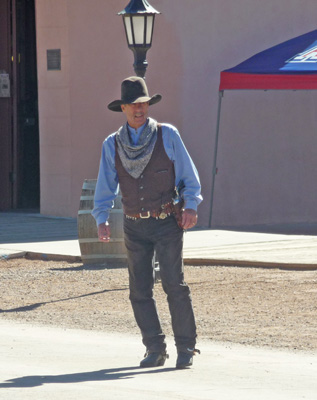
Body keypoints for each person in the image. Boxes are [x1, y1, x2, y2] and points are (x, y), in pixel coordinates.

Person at [92, 76, 202, 369]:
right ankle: (155, 349)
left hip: (167, 222)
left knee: (174, 284)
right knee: (139, 290)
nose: (139, 110)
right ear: (124, 109)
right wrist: (101, 217)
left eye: (143, 104)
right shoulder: (111, 144)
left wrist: (190, 206)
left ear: (148, 105)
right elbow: (106, 185)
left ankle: (186, 348)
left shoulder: (168, 135)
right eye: (133, 105)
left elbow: (190, 178)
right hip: (133, 225)